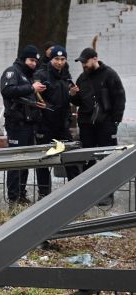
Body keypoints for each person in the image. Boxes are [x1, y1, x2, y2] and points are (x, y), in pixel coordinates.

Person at [71, 47, 126, 205]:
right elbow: (79, 102)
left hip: (106, 124)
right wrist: (73, 96)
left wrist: (115, 121)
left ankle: (107, 194)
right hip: (87, 124)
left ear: (95, 59)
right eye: (81, 62)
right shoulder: (82, 78)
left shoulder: (109, 74)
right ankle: (90, 193)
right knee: (88, 159)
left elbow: (120, 97)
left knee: (106, 159)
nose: (83, 65)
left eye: (85, 62)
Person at [0, 45, 47, 207]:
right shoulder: (12, 72)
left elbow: (24, 99)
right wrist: (31, 88)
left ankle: (21, 195)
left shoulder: (28, 76)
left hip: (28, 125)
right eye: (31, 60)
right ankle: (13, 198)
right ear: (23, 59)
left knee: (25, 162)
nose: (34, 63)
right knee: (16, 162)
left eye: (36, 61)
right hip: (16, 125)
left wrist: (37, 105)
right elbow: (7, 91)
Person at [33, 45, 80, 199]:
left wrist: (73, 94)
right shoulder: (42, 74)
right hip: (45, 125)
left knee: (71, 157)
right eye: (56, 59)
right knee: (44, 161)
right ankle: (44, 194)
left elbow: (71, 97)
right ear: (51, 59)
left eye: (62, 59)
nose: (60, 62)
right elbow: (34, 91)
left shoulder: (66, 76)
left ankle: (74, 191)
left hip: (62, 124)